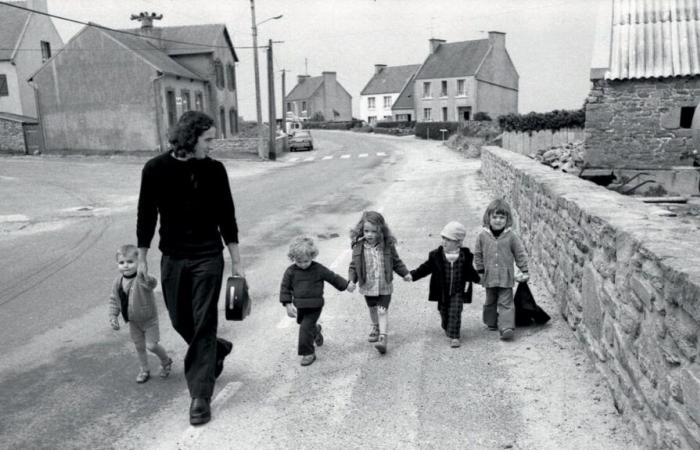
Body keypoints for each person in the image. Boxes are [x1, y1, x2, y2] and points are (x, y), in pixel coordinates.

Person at [136, 111, 244, 426]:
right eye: (208, 139)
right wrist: (142, 256)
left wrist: (236, 258)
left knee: (203, 321)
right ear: (190, 137)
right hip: (172, 256)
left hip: (208, 255)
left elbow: (227, 215)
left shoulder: (215, 170)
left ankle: (200, 395)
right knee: (180, 318)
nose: (213, 144)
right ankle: (216, 349)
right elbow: (146, 214)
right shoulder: (155, 169)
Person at [347, 211, 411, 354]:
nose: (369, 234)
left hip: (384, 285)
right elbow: (353, 266)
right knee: (372, 308)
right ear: (361, 230)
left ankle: (383, 337)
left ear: (381, 230)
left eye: (373, 231)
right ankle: (375, 326)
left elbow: (396, 261)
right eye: (366, 231)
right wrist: (351, 281)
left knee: (382, 310)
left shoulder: (387, 245)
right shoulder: (358, 247)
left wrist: (405, 273)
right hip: (368, 285)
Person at [409, 221, 480, 348]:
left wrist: (480, 280)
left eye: (449, 239)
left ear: (458, 242)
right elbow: (425, 268)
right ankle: (446, 324)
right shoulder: (436, 256)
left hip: (458, 290)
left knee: (456, 311)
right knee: (444, 311)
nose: (444, 242)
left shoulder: (465, 256)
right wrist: (412, 275)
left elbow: (470, 272)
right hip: (442, 290)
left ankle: (455, 336)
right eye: (443, 238)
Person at [280, 236, 349, 366]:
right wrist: (287, 305)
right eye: (298, 261)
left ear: (312, 256)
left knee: (304, 327)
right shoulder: (290, 272)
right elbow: (285, 288)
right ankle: (316, 331)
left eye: (306, 261)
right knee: (305, 324)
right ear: (293, 258)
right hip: (300, 306)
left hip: (315, 305)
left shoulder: (318, 269)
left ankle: (308, 353)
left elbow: (332, 277)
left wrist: (346, 285)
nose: (303, 264)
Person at [108, 244, 173, 383]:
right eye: (122, 262)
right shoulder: (117, 282)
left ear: (139, 262)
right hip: (133, 322)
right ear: (117, 264)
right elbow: (114, 299)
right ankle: (144, 369)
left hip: (149, 319)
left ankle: (166, 361)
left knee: (152, 345)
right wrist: (113, 315)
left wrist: (146, 277)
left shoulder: (142, 278)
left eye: (130, 262)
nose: (126, 265)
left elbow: (152, 283)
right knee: (139, 347)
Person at [474, 199, 529, 341]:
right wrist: (480, 271)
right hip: (489, 276)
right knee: (490, 300)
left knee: (506, 302)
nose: (498, 220)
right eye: (495, 217)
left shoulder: (511, 236)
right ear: (488, 217)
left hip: (506, 276)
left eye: (502, 217)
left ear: (507, 219)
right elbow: (478, 254)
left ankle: (506, 327)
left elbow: (519, 253)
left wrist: (524, 270)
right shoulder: (482, 236)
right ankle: (491, 322)